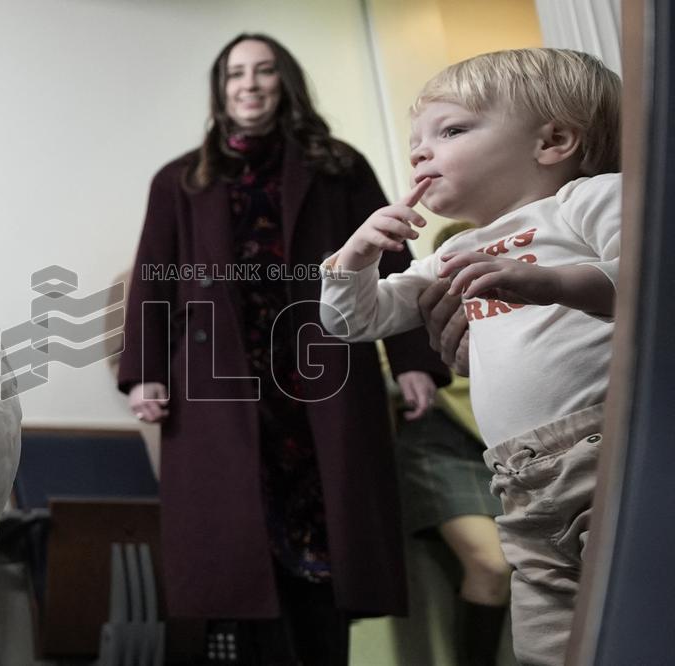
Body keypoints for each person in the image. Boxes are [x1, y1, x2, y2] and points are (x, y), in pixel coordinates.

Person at [118, 33, 449, 664]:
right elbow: (152, 277)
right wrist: (145, 373)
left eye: (264, 71)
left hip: (324, 381)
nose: (250, 83)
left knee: (332, 551)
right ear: (221, 89)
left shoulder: (340, 167)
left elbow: (394, 264)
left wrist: (411, 361)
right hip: (218, 392)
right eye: (236, 73)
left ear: (284, 82)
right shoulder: (180, 180)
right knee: (242, 559)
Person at [320, 48, 620, 666]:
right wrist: (353, 261)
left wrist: (556, 282)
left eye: (450, 130)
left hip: (600, 451)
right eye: (415, 142)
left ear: (554, 140)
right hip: (516, 482)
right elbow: (352, 321)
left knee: (634, 615)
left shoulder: (587, 201)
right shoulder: (451, 255)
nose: (420, 153)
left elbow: (652, 274)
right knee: (549, 646)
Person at [392, 221, 510, 666]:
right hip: (438, 441)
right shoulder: (420, 309)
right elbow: (388, 361)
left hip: (508, 445)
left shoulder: (534, 301)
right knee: (491, 565)